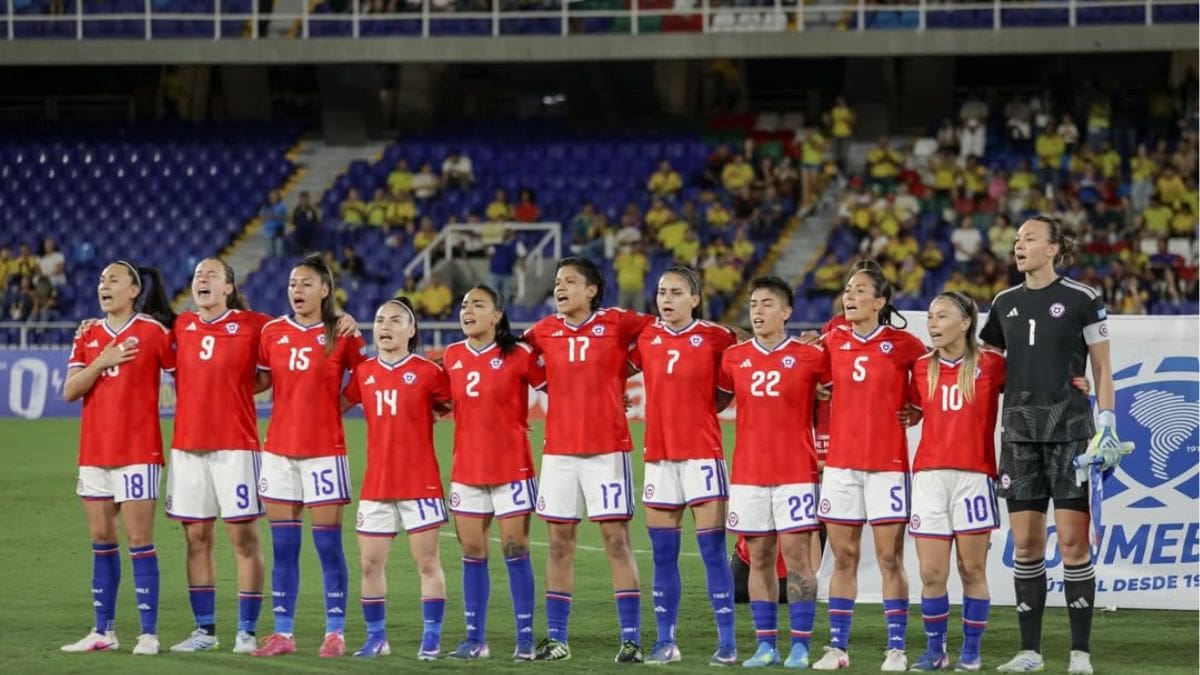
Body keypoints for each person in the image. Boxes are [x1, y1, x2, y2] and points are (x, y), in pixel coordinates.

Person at [981, 216, 1126, 675]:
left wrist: (1106, 420)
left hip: (1071, 435)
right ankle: (1030, 652)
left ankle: (1080, 654)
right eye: (1017, 238)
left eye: (1029, 239)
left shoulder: (1084, 299)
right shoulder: (1003, 303)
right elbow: (987, 370)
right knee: (1024, 547)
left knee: (1072, 545)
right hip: (1019, 437)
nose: (1018, 245)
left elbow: (1102, 367)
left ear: (1053, 249)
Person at [522, 256, 654, 663]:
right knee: (559, 544)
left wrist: (625, 373)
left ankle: (630, 639)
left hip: (607, 452)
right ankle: (557, 639)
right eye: (558, 282)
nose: (560, 288)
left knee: (616, 541)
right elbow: (509, 351)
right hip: (559, 453)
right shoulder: (543, 331)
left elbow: (665, 333)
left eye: (571, 282)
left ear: (592, 290)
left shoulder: (618, 322)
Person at [812, 259, 926, 672]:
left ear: (880, 301)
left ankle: (896, 648)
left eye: (860, 290)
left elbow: (931, 381)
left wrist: (916, 409)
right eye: (847, 289)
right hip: (841, 465)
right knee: (843, 556)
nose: (850, 296)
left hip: (887, 465)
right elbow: (815, 379)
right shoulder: (832, 339)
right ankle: (837, 648)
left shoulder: (904, 344)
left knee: (890, 558)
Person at [252, 253, 367, 658]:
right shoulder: (272, 332)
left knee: (328, 546)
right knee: (283, 548)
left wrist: (337, 405)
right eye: (292, 284)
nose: (296, 290)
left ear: (324, 290)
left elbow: (365, 378)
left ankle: (335, 632)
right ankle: (283, 633)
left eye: (305, 284)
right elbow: (261, 379)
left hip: (324, 453)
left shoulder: (343, 332)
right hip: (280, 452)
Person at [62, 261, 177, 656]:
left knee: (140, 540)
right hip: (94, 453)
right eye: (100, 280)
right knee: (101, 540)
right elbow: (70, 391)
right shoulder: (89, 334)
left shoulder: (153, 332)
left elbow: (187, 369)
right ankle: (103, 632)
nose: (103, 285)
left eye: (113, 279)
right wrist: (101, 360)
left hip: (138, 452)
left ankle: (148, 634)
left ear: (133, 290)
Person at [627, 267, 738, 666]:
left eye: (676, 292)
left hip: (703, 456)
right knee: (662, 556)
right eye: (661, 292)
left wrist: (699, 416)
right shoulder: (645, 337)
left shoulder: (718, 337)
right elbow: (614, 371)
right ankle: (665, 641)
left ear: (695, 299)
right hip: (658, 457)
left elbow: (727, 390)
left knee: (712, 551)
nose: (666, 299)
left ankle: (727, 643)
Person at [717, 276, 828, 669]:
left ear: (786, 313)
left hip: (796, 472)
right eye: (753, 304)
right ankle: (766, 645)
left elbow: (841, 393)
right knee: (759, 556)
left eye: (767, 304)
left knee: (798, 560)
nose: (758, 311)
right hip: (747, 473)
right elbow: (708, 399)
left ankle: (800, 645)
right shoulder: (733, 358)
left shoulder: (812, 356)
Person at [164, 259, 271, 655]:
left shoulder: (255, 325)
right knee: (196, 538)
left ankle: (246, 631)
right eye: (196, 275)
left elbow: (278, 363)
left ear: (229, 287)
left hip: (236, 447)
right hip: (188, 449)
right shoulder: (180, 327)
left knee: (242, 537)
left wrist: (340, 320)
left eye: (211, 274)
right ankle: (204, 631)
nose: (202, 279)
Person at [342, 298, 451, 660]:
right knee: (370, 564)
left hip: (420, 483)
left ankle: (431, 638)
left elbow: (460, 407)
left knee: (427, 563)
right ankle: (376, 638)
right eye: (379, 320)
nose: (385, 327)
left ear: (411, 329)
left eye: (394, 320)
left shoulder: (429, 372)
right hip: (377, 485)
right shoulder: (364, 372)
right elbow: (335, 405)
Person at [442, 286, 547, 661]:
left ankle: (524, 638)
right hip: (467, 469)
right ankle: (475, 639)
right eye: (464, 304)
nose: (467, 310)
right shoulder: (451, 356)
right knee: (472, 552)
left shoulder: (520, 355)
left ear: (497, 314)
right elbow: (437, 402)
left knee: (515, 550)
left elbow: (559, 389)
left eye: (478, 304)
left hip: (512, 468)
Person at [905, 291, 1005, 671]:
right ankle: (935, 650)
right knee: (931, 573)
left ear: (965, 323)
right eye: (930, 316)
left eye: (942, 316)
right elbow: (909, 411)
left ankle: (971, 649)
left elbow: (1032, 386)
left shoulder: (992, 365)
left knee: (971, 570)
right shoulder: (919, 367)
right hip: (929, 477)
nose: (932, 323)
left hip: (974, 477)